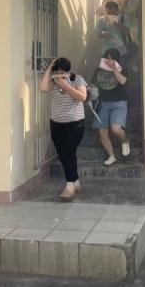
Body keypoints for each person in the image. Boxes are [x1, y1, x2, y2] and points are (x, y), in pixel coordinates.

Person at [39, 57, 88, 201]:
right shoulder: (53, 81)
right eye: (56, 72)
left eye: (61, 72)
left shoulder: (77, 79)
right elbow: (43, 88)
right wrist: (49, 69)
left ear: (68, 71)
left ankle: (69, 186)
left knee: (67, 151)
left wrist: (66, 86)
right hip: (56, 124)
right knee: (63, 154)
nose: (58, 75)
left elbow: (82, 97)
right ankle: (76, 181)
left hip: (75, 124)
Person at [91, 48, 130, 166]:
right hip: (103, 103)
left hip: (119, 103)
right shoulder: (99, 69)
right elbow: (94, 84)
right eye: (107, 58)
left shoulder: (122, 68)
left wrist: (114, 68)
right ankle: (111, 156)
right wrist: (92, 91)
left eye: (112, 58)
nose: (109, 60)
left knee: (116, 129)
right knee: (102, 132)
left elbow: (122, 81)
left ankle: (125, 141)